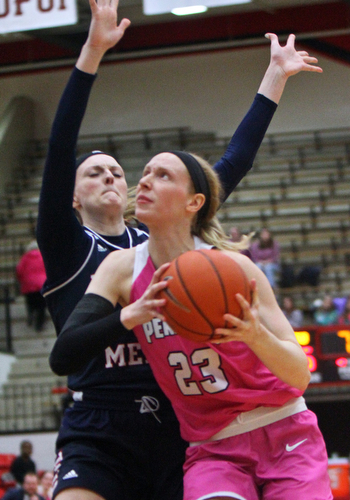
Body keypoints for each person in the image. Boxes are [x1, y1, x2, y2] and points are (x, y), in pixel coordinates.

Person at [39, 0, 323, 497]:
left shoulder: (162, 241)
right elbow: (61, 146)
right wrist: (91, 54)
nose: (111, 175)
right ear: (71, 193)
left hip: (176, 417)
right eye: (93, 172)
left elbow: (227, 167)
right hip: (100, 418)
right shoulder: (72, 246)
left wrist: (273, 81)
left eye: (118, 171)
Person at [52, 149, 332, 500]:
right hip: (214, 448)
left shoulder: (233, 270)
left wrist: (254, 334)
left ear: (194, 202)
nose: (144, 181)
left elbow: (299, 375)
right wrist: (133, 313)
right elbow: (64, 354)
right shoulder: (122, 269)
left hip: (284, 429)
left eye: (163, 175)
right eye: (146, 172)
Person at [16, 241, 47, 332]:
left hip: (28, 286)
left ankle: (31, 316)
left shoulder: (24, 258)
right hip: (42, 285)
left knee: (30, 303)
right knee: (41, 306)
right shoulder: (43, 256)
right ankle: (39, 325)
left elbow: (19, 271)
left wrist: (22, 281)